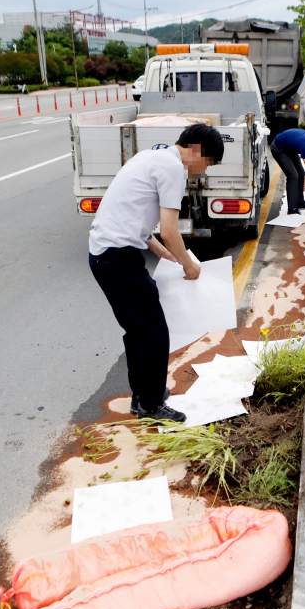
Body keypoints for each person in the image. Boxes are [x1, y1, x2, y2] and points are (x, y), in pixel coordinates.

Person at [88, 123, 224, 423]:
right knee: (154, 333)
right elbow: (169, 229)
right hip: (117, 259)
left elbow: (137, 220)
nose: (202, 171)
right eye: (208, 163)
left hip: (107, 256)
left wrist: (164, 254)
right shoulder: (174, 168)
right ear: (197, 151)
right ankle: (150, 405)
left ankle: (142, 396)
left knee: (138, 330)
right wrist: (189, 264)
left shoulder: (152, 157)